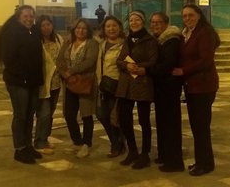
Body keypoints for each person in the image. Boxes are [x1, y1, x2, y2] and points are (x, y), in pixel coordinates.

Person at [172, 4, 220, 176]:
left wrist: (183, 71)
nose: (187, 19)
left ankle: (206, 164)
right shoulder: (189, 33)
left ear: (199, 15)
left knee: (201, 127)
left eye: (191, 15)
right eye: (184, 16)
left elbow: (205, 60)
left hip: (203, 86)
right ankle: (202, 161)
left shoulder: (204, 32)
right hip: (194, 87)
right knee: (197, 126)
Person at [0, 5, 44, 164]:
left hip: (32, 82)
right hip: (18, 82)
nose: (29, 19)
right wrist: (23, 77)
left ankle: (28, 145)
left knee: (30, 115)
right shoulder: (12, 33)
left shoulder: (34, 31)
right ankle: (19, 149)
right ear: (19, 17)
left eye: (31, 16)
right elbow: (9, 59)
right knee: (20, 115)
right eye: (26, 16)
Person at [142, 11, 185, 172]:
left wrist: (146, 70)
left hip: (169, 88)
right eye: (152, 22)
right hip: (161, 88)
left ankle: (175, 162)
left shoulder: (171, 40)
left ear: (166, 24)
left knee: (171, 125)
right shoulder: (160, 40)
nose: (154, 25)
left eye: (158, 22)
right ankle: (164, 155)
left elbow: (167, 65)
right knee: (162, 124)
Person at [116, 10, 158, 169]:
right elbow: (119, 61)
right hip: (126, 84)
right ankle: (132, 151)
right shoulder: (127, 40)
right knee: (125, 119)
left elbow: (153, 61)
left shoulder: (150, 40)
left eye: (137, 20)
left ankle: (145, 154)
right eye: (131, 20)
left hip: (142, 84)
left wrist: (140, 67)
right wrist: (126, 65)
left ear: (143, 22)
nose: (134, 22)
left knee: (144, 120)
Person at [56, 18, 99, 158]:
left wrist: (71, 71)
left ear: (88, 30)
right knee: (69, 114)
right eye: (78, 28)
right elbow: (60, 59)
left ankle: (87, 144)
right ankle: (77, 142)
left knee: (86, 115)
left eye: (84, 28)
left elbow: (90, 61)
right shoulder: (68, 43)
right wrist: (64, 73)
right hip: (69, 83)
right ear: (74, 29)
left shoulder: (92, 43)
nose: (80, 31)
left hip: (85, 82)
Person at [96, 15, 126, 158]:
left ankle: (117, 144)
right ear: (104, 29)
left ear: (119, 27)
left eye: (114, 25)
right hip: (102, 86)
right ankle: (117, 142)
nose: (111, 28)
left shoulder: (125, 45)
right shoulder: (100, 44)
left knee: (115, 117)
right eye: (108, 26)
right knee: (102, 115)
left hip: (117, 85)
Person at [33, 15, 63, 155]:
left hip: (56, 84)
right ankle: (39, 142)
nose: (46, 28)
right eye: (43, 25)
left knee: (50, 113)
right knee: (43, 114)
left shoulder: (58, 39)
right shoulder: (36, 41)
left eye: (48, 24)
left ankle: (44, 138)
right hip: (42, 84)